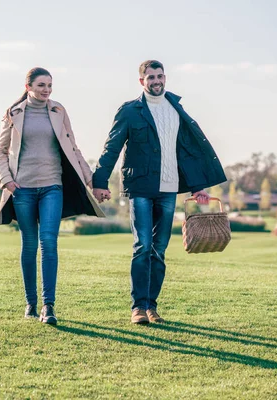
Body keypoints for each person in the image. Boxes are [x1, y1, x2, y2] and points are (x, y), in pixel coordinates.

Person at [92, 60, 226, 324]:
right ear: (141, 81)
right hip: (141, 187)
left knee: (159, 250)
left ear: (165, 78)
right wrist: (100, 181)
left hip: (169, 189)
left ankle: (152, 306)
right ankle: (138, 308)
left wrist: (197, 186)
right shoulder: (130, 111)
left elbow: (184, 153)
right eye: (151, 77)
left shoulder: (175, 109)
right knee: (142, 246)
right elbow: (112, 147)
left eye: (160, 76)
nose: (156, 81)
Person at [0, 67, 104, 325]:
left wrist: (92, 180)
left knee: (49, 243)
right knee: (29, 245)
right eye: (41, 85)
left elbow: (73, 148)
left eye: (50, 85)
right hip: (22, 189)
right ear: (28, 86)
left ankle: (48, 306)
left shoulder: (58, 111)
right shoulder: (14, 113)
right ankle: (30, 302)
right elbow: (0, 151)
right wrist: (6, 180)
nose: (46, 90)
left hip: (53, 186)